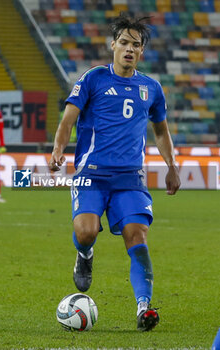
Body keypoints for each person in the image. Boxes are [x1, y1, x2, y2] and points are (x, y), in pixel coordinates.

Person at [49, 14, 180, 331]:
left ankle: (143, 308)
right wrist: (58, 149)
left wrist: (171, 167)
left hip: (130, 179)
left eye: (136, 45)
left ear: (142, 52)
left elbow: (161, 131)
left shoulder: (151, 88)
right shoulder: (93, 78)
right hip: (91, 175)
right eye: (124, 42)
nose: (129, 49)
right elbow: (69, 119)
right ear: (113, 45)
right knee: (86, 231)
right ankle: (85, 252)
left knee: (138, 236)